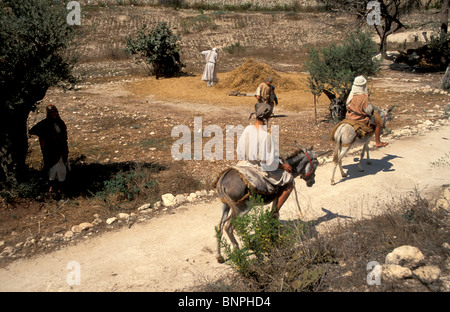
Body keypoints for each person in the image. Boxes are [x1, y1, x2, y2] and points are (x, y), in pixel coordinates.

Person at [237, 102, 294, 218]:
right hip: (258, 168)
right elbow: (269, 162)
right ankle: (274, 213)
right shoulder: (266, 136)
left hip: (243, 164)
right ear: (268, 118)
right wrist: (283, 167)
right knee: (289, 181)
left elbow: (239, 151)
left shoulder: (247, 129)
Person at [29, 104, 70, 193]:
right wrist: (46, 136)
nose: (54, 114)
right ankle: (51, 187)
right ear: (48, 113)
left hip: (60, 150)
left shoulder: (60, 123)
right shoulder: (44, 124)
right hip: (50, 151)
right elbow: (32, 130)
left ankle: (60, 188)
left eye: (55, 112)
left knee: (61, 169)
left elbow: (64, 136)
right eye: (51, 112)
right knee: (51, 169)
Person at [346, 76, 388, 148]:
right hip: (360, 118)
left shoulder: (351, 95)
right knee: (377, 124)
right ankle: (378, 142)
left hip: (349, 116)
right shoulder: (363, 96)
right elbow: (368, 111)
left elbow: (347, 106)